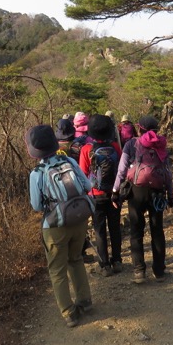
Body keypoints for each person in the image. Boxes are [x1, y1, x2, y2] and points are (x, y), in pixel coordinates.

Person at [26, 124, 94, 328]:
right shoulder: (69, 161)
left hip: (55, 226)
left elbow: (37, 206)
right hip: (79, 218)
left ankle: (69, 312)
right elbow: (88, 186)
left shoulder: (37, 173)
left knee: (57, 270)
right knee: (76, 259)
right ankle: (86, 302)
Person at [112, 115, 173, 284]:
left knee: (136, 231)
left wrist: (115, 190)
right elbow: (168, 172)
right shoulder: (162, 144)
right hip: (158, 192)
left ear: (139, 129)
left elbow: (122, 168)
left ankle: (139, 271)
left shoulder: (131, 144)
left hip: (137, 191)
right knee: (157, 231)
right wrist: (171, 195)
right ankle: (159, 271)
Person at [78, 114, 123, 276]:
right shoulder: (115, 147)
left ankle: (104, 265)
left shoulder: (86, 150)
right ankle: (117, 261)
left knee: (99, 230)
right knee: (115, 227)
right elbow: (120, 170)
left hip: (95, 195)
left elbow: (83, 174)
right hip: (114, 194)